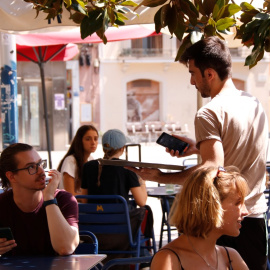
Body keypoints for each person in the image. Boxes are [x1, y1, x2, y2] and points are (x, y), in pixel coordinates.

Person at [127, 36, 269, 270]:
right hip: (254, 217)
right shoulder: (253, 104)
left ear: (210, 74)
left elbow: (212, 169)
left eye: (193, 73)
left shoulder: (209, 112)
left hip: (222, 220)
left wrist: (159, 177)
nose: (192, 81)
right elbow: (239, 148)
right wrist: (198, 146)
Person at [151, 166, 249, 270]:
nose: (246, 212)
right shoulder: (169, 259)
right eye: (238, 203)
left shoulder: (231, 257)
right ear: (212, 206)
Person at [0, 143, 79, 256]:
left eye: (40, 164)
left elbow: (66, 248)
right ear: (12, 176)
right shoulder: (2, 204)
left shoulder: (64, 200)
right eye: (31, 167)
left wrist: (49, 199)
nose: (42, 171)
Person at [81, 128, 147, 207]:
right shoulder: (128, 167)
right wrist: (142, 181)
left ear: (103, 148)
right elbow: (142, 202)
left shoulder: (87, 166)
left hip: (93, 217)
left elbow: (84, 201)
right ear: (122, 148)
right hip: (119, 218)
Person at [57, 125, 99, 197]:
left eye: (95, 139)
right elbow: (69, 194)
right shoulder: (70, 161)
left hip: (84, 204)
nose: (93, 142)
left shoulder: (91, 160)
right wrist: (88, 198)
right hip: (70, 205)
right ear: (80, 141)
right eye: (88, 139)